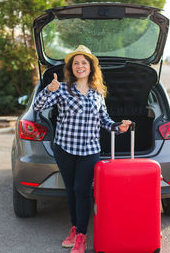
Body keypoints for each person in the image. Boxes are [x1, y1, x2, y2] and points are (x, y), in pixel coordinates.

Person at [33, 45, 131, 253]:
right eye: (76, 63)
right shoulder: (61, 88)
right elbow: (37, 107)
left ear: (91, 67)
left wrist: (118, 127)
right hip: (65, 148)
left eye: (83, 63)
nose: (80, 66)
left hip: (89, 150)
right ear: (71, 67)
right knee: (70, 190)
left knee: (82, 191)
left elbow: (104, 119)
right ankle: (75, 227)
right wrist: (48, 90)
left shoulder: (98, 93)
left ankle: (81, 236)